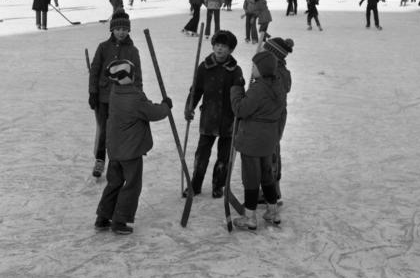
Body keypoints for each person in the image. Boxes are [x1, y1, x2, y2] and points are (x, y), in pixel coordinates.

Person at [94, 59, 171, 235]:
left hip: (114, 149)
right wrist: (166, 106)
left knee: (114, 182)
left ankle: (103, 216)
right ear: (130, 76)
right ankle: (120, 220)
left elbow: (141, 105)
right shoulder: (134, 98)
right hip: (130, 151)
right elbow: (153, 113)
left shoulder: (115, 93)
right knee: (132, 185)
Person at [231, 50, 287, 230]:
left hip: (252, 139)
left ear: (262, 69)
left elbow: (240, 110)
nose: (252, 69)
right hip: (269, 139)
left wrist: (237, 90)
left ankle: (249, 217)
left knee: (251, 178)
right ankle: (272, 211)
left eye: (254, 66)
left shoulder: (258, 89)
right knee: (266, 175)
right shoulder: (278, 86)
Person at [184, 30, 244, 198]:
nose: (219, 50)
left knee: (224, 157)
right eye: (217, 45)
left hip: (228, 121)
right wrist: (190, 106)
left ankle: (218, 185)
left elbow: (239, 96)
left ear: (230, 50)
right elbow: (196, 90)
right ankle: (195, 184)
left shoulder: (235, 70)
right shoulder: (204, 67)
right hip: (209, 119)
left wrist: (240, 114)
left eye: (224, 47)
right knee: (201, 154)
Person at [88, 10, 142, 178]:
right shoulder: (103, 47)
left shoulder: (133, 51)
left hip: (124, 99)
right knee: (104, 129)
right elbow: (95, 71)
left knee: (119, 131)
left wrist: (138, 97)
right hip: (104, 97)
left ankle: (116, 161)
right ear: (112, 29)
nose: (121, 32)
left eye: (124, 29)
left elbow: (137, 76)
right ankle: (99, 159)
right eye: (118, 29)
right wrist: (93, 92)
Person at [262, 37, 294, 205]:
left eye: (266, 51)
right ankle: (272, 187)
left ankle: (273, 189)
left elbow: (276, 93)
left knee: (271, 150)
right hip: (270, 115)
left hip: (274, 116)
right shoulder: (270, 69)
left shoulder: (279, 73)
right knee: (269, 149)